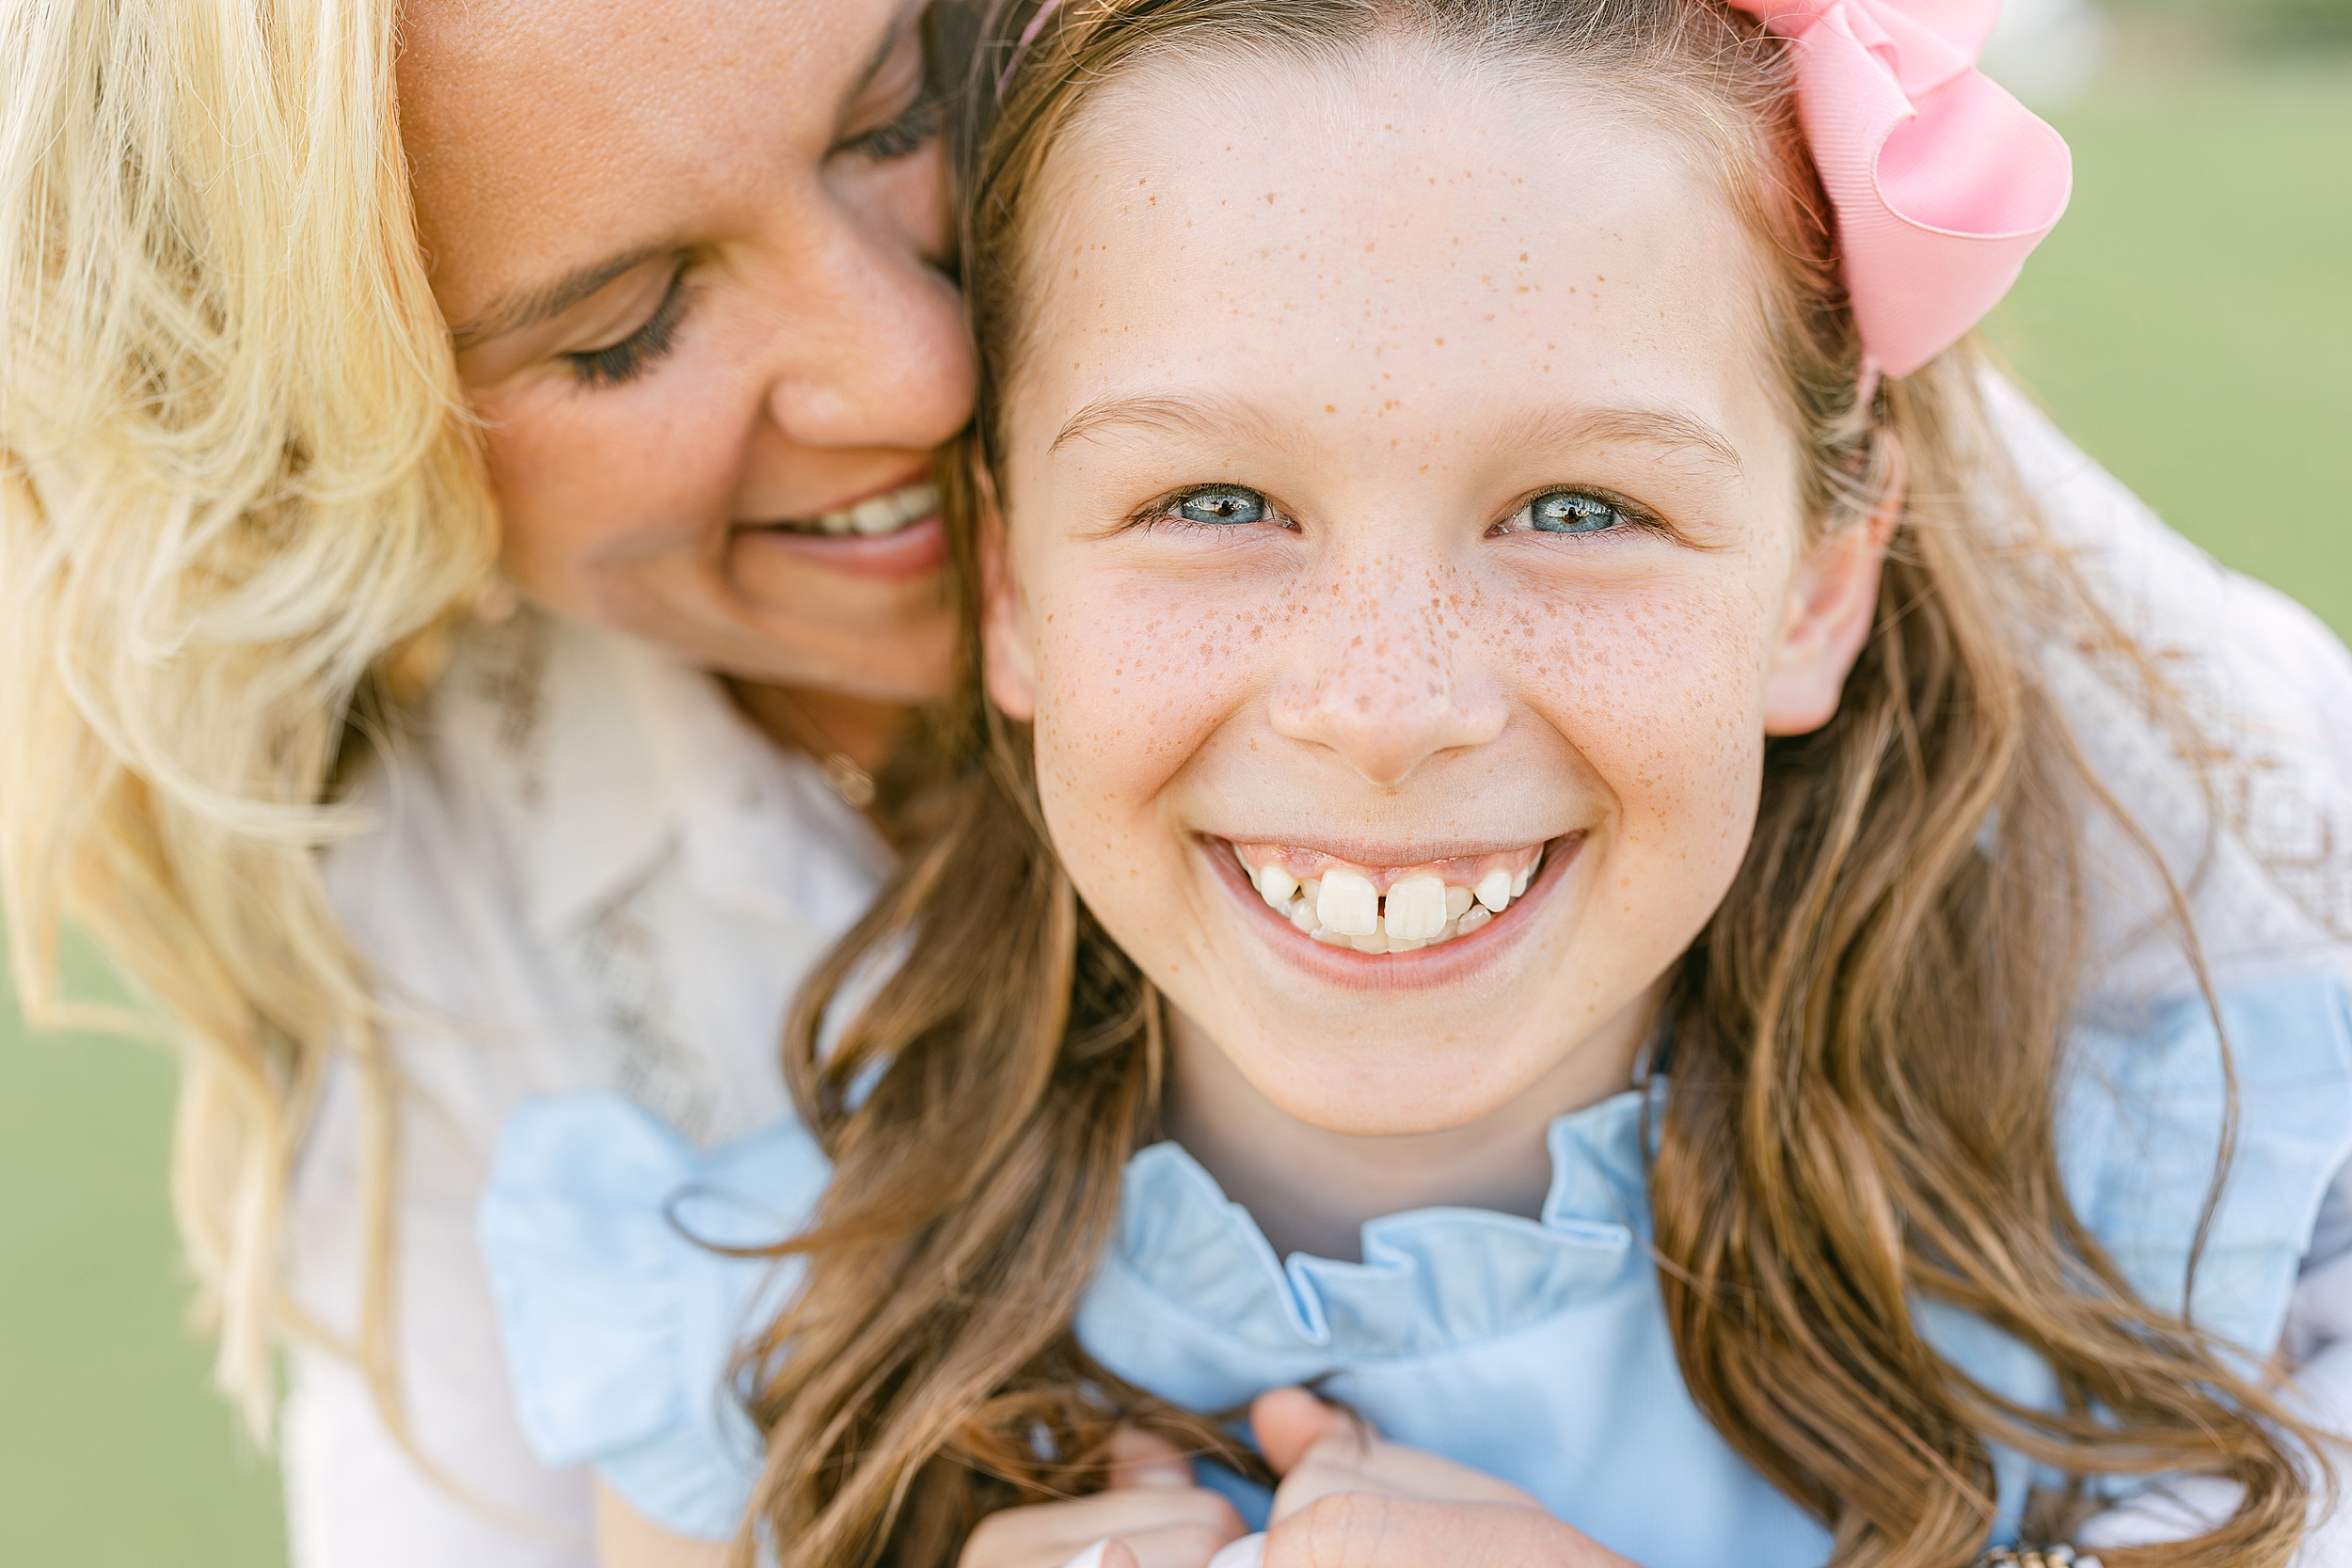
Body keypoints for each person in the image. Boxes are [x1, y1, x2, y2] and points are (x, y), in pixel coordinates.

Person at [476, 1, 2352, 1566]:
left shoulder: (2149, 1241)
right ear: (1006, 585)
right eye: (1211, 504)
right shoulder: (752, 1354)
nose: (1382, 712)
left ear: (1818, 582)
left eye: (1575, 508)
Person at [0, 0, 976, 1563]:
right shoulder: (438, 924)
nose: (917, 370)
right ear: (334, 452)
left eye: (894, 121)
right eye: (625, 329)